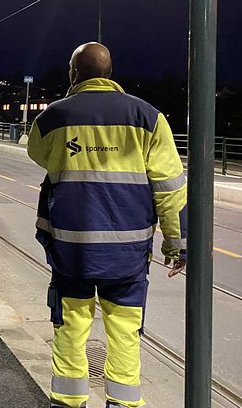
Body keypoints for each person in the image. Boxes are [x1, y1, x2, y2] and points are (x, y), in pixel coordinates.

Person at [27, 42, 187, 408]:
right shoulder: (148, 118)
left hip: (72, 251)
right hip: (127, 255)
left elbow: (38, 154)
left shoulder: (53, 117)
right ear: (110, 73)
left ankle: (68, 402)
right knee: (125, 333)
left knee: (70, 329)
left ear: (74, 73)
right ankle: (123, 403)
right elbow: (170, 189)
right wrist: (177, 245)